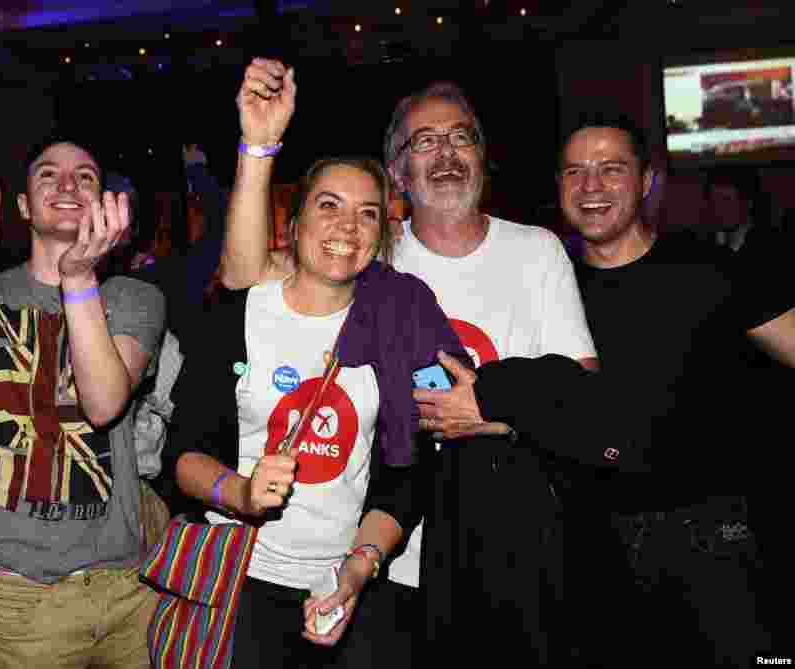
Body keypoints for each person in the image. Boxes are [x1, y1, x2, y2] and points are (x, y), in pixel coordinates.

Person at [219, 58, 598, 664]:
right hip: (391, 555)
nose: (446, 153)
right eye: (425, 142)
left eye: (461, 137)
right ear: (398, 170)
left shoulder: (536, 250)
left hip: (508, 546)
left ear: (483, 156)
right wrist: (258, 147)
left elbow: (583, 389)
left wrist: (494, 412)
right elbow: (243, 274)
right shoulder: (360, 257)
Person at [166, 65, 473, 667]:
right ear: (295, 221)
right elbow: (185, 453)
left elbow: (404, 476)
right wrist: (244, 494)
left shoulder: (396, 319)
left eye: (366, 214)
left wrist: (358, 570)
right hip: (240, 582)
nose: (346, 226)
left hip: (348, 582)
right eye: (328, 206)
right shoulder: (239, 316)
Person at [0, 134, 166, 668]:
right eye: (48, 175)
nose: (67, 184)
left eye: (85, 177)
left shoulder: (134, 297)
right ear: (21, 205)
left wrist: (78, 279)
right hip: (16, 596)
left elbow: (104, 402)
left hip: (123, 588)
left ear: (107, 205)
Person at [556, 112, 794, 666]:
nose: (591, 187)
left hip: (714, 538)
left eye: (610, 169)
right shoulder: (550, 285)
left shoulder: (710, 270)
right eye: (574, 172)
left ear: (645, 182)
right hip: (591, 549)